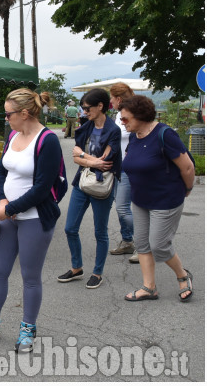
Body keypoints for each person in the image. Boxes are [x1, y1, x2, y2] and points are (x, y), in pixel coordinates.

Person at [0, 89, 63, 353]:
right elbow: (0, 171)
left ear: (25, 113)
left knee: (30, 277)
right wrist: (4, 200)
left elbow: (42, 188)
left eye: (8, 114)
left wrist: (10, 209)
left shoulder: (48, 140)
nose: (6, 119)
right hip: (9, 214)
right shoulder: (13, 135)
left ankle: (28, 329)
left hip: (35, 218)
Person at [118, 95, 195, 302]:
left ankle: (183, 276)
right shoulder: (135, 136)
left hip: (166, 199)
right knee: (142, 244)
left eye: (125, 119)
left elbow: (187, 167)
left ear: (140, 116)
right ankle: (149, 287)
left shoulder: (165, 134)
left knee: (159, 245)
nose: (122, 122)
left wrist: (187, 188)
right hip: (141, 199)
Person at [58, 88, 121, 289]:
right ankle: (77, 268)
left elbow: (106, 163)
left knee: (100, 232)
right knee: (70, 228)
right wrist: (87, 159)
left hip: (102, 185)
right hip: (82, 182)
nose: (84, 112)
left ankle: (97, 272)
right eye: (83, 108)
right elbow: (75, 157)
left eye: (87, 108)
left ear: (100, 106)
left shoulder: (113, 130)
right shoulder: (85, 127)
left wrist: (85, 157)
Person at [108, 83, 136, 261]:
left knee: (123, 207)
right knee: (121, 207)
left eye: (111, 97)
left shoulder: (133, 112)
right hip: (118, 166)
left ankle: (143, 246)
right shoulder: (119, 114)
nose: (110, 101)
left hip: (129, 166)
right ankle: (127, 241)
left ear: (118, 98)